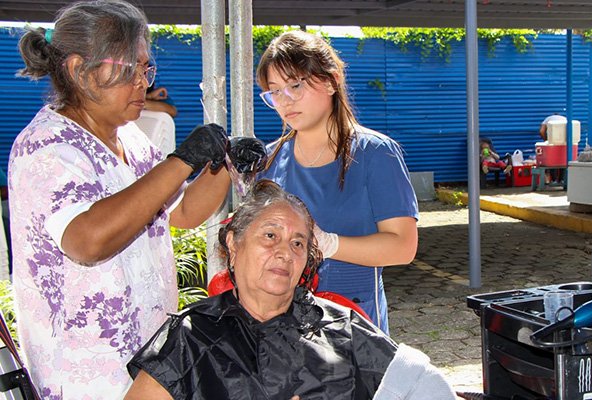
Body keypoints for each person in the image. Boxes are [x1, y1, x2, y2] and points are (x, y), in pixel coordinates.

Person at [10, 1, 231, 398]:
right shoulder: (46, 146)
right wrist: (182, 160)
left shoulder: (129, 137)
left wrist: (224, 164)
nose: (142, 83)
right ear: (79, 70)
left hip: (147, 362)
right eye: (128, 69)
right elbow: (87, 241)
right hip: (89, 375)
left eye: (146, 69)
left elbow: (182, 211)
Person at [124, 180, 456, 400]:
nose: (286, 252)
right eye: (270, 236)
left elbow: (425, 387)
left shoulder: (342, 327)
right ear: (233, 243)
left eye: (298, 242)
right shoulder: (191, 336)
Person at [254, 30, 418, 334]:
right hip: (283, 323)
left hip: (354, 323)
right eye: (274, 91)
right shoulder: (269, 158)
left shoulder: (375, 153)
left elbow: (403, 246)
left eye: (295, 85)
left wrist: (328, 243)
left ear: (331, 81)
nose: (284, 100)